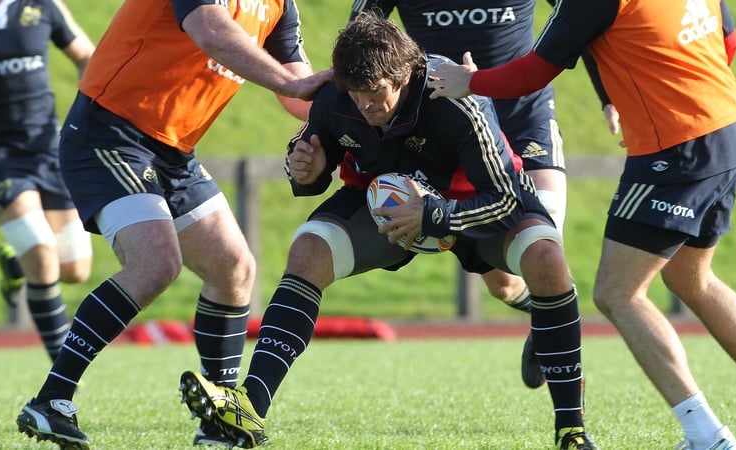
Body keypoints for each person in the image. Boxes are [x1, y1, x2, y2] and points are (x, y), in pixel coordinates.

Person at [179, 11, 597, 449]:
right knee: (308, 250)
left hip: (473, 204)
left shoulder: (453, 99)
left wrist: (434, 215)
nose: (365, 105)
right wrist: (305, 170)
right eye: (356, 95)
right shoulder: (337, 96)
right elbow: (315, 154)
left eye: (375, 92)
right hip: (389, 212)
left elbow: (506, 199)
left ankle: (571, 429)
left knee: (546, 258)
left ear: (404, 75)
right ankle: (250, 406)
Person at [428, 0, 736, 448]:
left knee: (618, 293)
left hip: (677, 149)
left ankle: (705, 436)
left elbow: (532, 73)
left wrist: (469, 82)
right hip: (730, 128)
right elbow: (728, 41)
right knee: (692, 279)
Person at [14, 1, 332, 449]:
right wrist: (292, 83)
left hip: (174, 152)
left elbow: (299, 92)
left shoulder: (280, 3)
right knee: (156, 264)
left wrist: (360, 95)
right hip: (110, 131)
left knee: (234, 268)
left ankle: (219, 421)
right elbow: (211, 31)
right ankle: (51, 401)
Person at [348, 0, 620, 390]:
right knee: (503, 285)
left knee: (544, 245)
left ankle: (553, 332)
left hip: (523, 110)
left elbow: (588, 15)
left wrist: (609, 93)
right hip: (445, 119)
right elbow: (358, 38)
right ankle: (545, 313)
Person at [0, 0, 95, 361]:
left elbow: (87, 56)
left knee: (75, 269)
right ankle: (63, 373)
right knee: (42, 252)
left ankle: (16, 265)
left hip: (47, 149)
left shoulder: (43, 6)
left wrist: (89, 112)